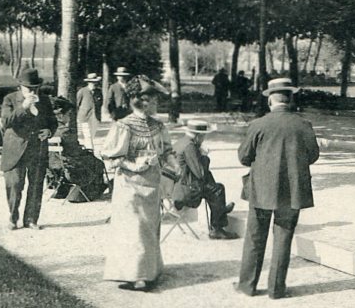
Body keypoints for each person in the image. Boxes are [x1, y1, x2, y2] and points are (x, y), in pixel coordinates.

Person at [235, 77, 319, 299]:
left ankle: (247, 286)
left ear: (270, 100)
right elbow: (313, 155)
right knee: (284, 238)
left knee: (254, 237)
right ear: (290, 99)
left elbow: (244, 157)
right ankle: (276, 289)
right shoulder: (303, 125)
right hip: (292, 191)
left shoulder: (258, 125)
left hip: (260, 190)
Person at [101, 76, 173, 292]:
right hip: (129, 186)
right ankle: (135, 276)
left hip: (151, 185)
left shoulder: (158, 126)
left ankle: (150, 271)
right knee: (133, 230)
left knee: (149, 228)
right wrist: (136, 164)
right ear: (143, 101)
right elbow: (109, 156)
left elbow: (167, 151)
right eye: (154, 99)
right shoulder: (124, 126)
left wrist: (174, 164)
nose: (157, 103)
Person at [0, 69, 58, 230]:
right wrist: (24, 107)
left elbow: (52, 122)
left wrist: (49, 131)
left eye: (35, 88)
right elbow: (6, 122)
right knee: (15, 184)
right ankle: (13, 218)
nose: (32, 92)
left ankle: (31, 220)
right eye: (28, 88)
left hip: (37, 149)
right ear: (20, 86)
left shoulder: (44, 100)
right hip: (15, 149)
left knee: (36, 185)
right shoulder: (10, 99)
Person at [172, 119, 238, 240]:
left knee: (212, 185)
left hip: (178, 186)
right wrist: (204, 156)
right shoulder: (189, 147)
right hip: (186, 192)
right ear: (198, 136)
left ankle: (221, 211)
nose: (203, 139)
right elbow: (200, 173)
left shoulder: (181, 142)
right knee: (218, 189)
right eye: (203, 137)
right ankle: (216, 228)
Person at [76, 73, 102, 150]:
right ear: (89, 82)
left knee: (92, 135)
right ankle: (90, 150)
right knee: (87, 135)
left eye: (95, 82)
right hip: (85, 117)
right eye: (92, 82)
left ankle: (89, 148)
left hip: (95, 117)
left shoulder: (98, 91)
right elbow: (77, 104)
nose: (94, 84)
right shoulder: (82, 91)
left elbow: (101, 103)